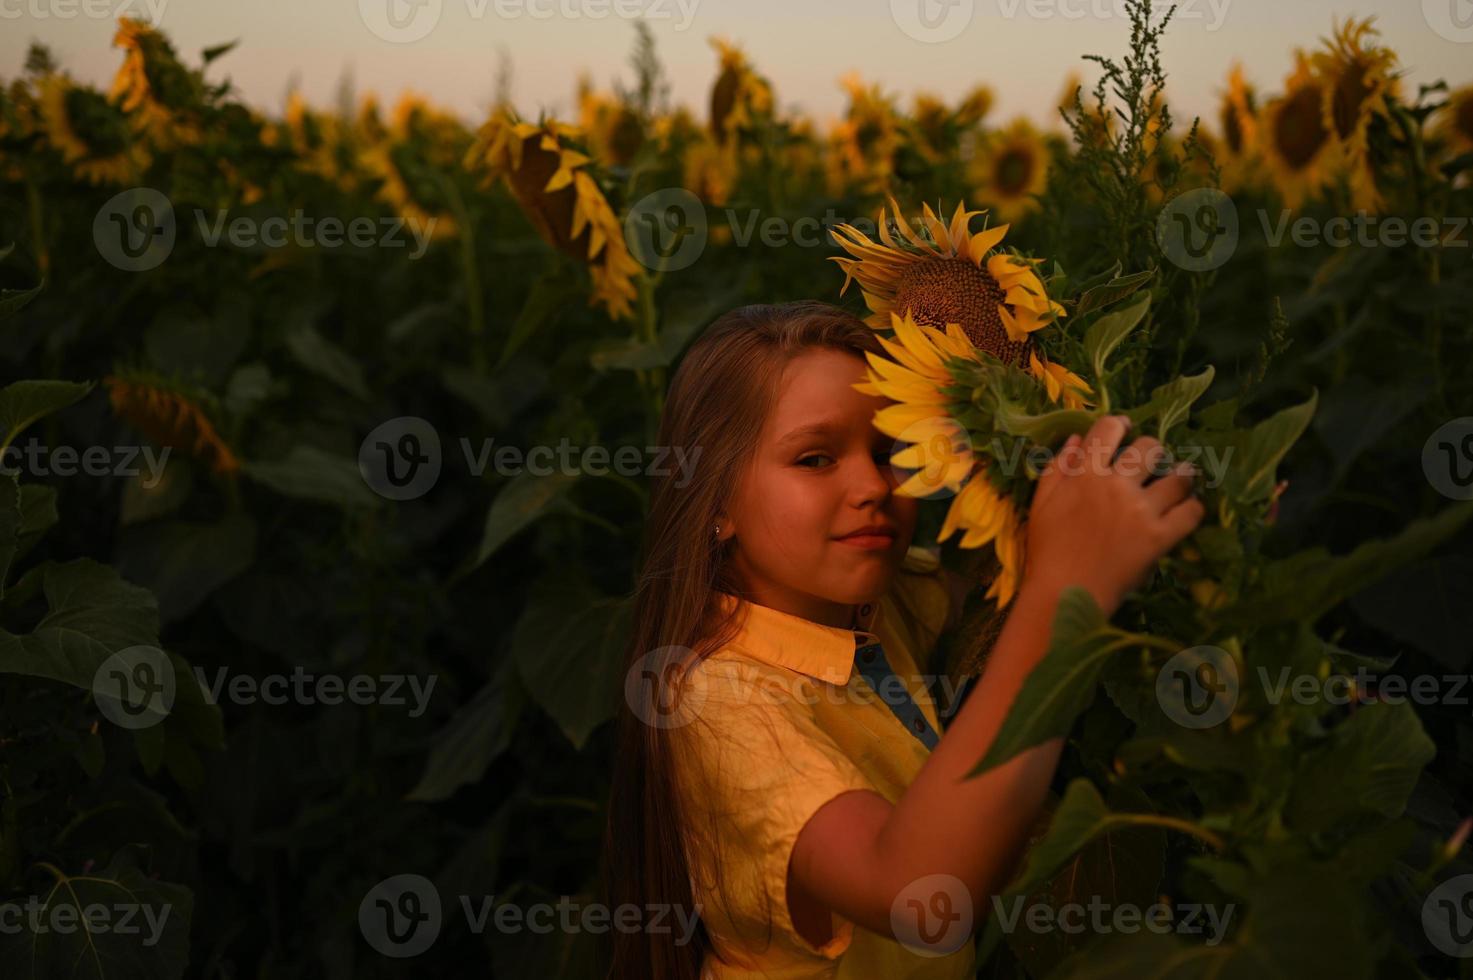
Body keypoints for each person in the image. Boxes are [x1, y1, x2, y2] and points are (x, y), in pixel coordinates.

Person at [601, 300, 1204, 979]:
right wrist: (1067, 595)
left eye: (890, 450)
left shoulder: (882, 600)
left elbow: (1021, 571)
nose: (872, 485)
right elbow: (916, 894)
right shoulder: (716, 701)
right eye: (815, 457)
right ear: (713, 503)